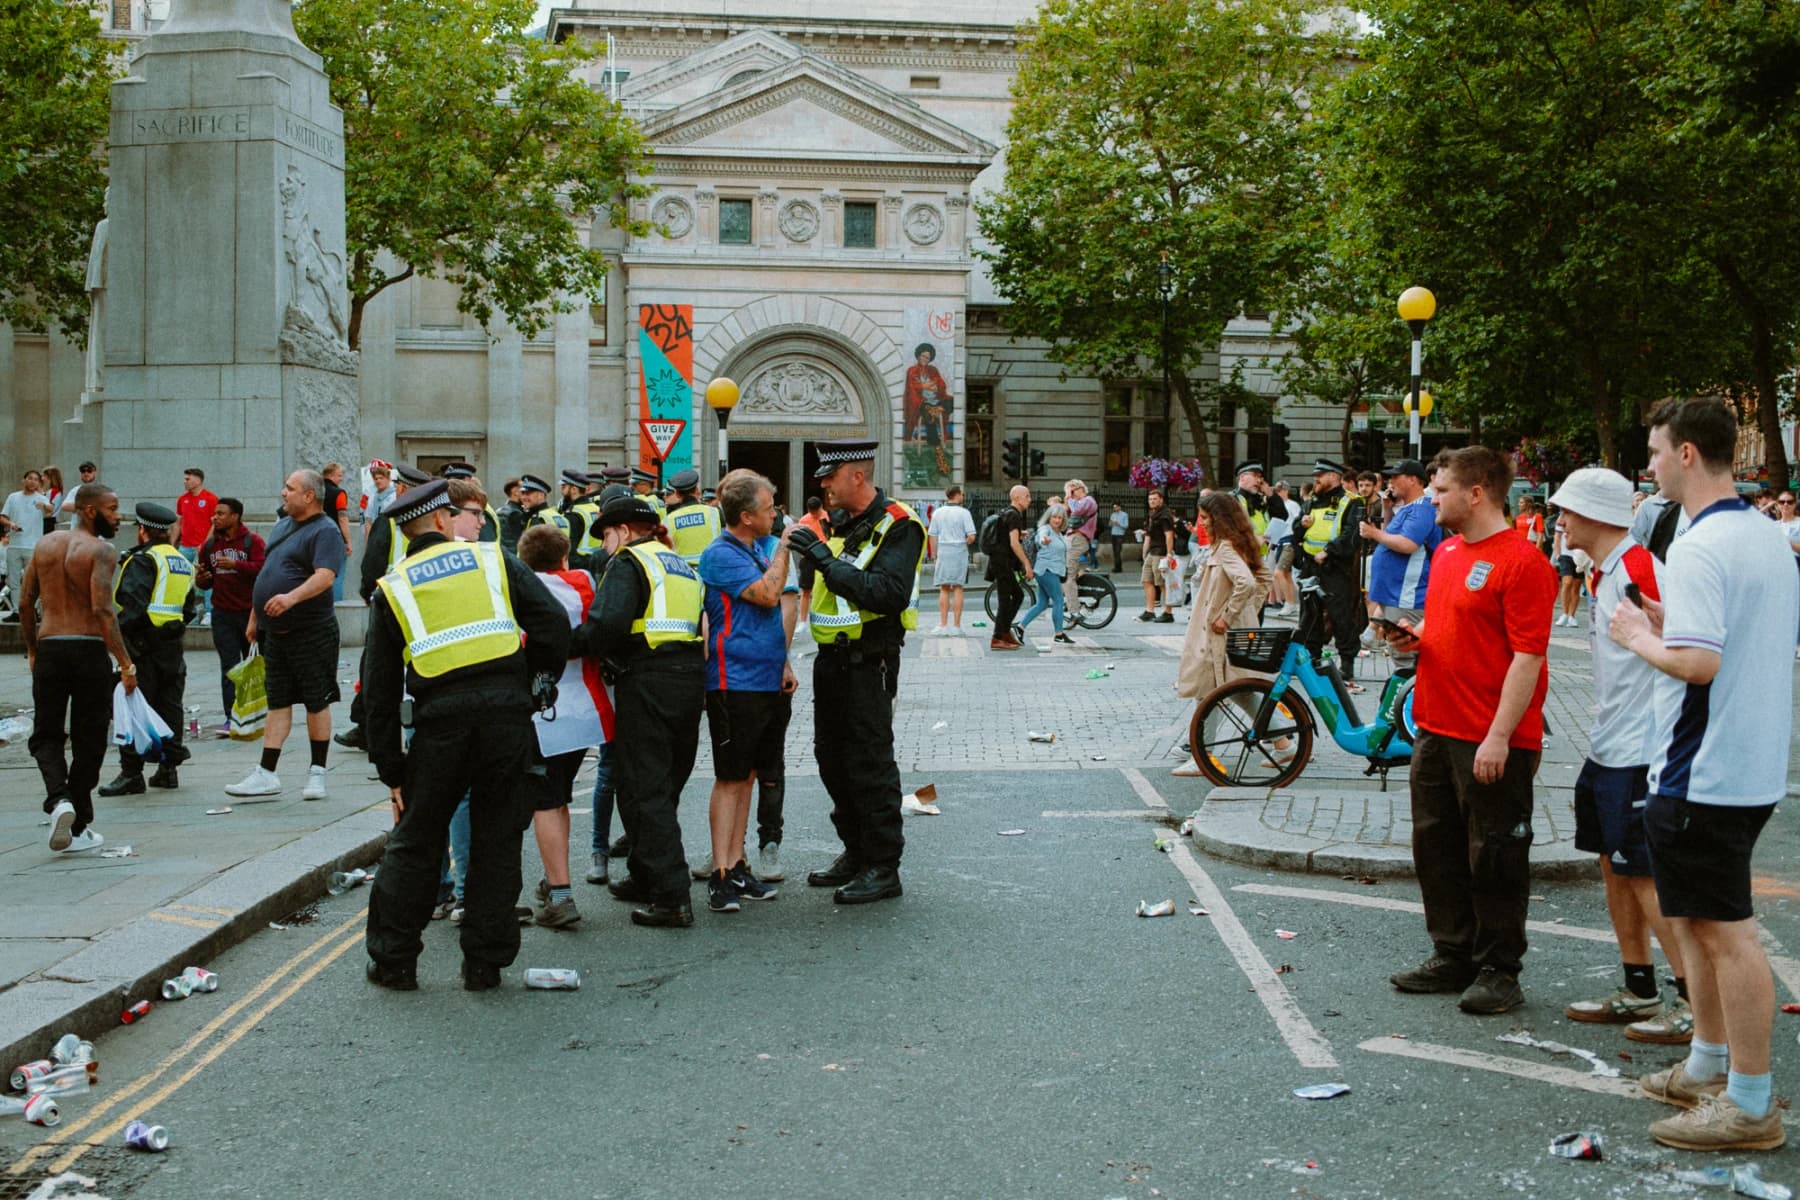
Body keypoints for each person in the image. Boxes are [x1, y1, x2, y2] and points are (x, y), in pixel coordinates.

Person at [1610, 398, 1797, 1153]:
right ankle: (1709, 1066)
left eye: (1655, 452)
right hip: (1743, 762)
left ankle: (1750, 1103)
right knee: (1694, 921)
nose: (1648, 466)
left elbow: (1700, 662)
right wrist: (1667, 620)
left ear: (1687, 454)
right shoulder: (1759, 535)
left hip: (1704, 770)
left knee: (1726, 934)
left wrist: (1634, 634)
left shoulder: (1697, 544)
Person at [361, 480, 569, 991]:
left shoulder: (394, 586)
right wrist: (535, 680)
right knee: (497, 840)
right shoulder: (492, 560)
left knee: (415, 843)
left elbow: (379, 690)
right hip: (506, 720)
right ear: (440, 521)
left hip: (439, 727)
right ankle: (484, 963)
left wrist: (391, 766)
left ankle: (395, 962)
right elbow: (554, 625)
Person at [1384, 446, 1555, 1015]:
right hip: (1435, 725)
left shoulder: (1523, 563)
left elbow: (1528, 659)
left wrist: (1501, 737)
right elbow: (1447, 626)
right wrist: (1416, 636)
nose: (1430, 499)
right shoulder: (1451, 551)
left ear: (1475, 493)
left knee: (1497, 853)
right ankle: (1452, 953)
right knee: (1437, 846)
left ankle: (1500, 969)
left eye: (1439, 490)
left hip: (1490, 736)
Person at [1543, 467, 1692, 1044]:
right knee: (1613, 866)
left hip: (1640, 749)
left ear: (1598, 516)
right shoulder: (1605, 572)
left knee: (1645, 876)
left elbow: (1680, 651)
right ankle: (1639, 987)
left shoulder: (1635, 570)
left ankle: (1689, 1001)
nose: (1560, 522)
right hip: (1609, 745)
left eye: (1568, 512)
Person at [785, 438, 925, 904]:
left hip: (871, 662)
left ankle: (884, 866)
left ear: (857, 476)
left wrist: (823, 560)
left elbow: (887, 592)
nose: (823, 484)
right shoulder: (844, 524)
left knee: (870, 763)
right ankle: (856, 850)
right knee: (832, 759)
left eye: (829, 476)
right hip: (833, 661)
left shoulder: (899, 525)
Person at [574, 493, 705, 928]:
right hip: (686, 678)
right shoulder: (676, 562)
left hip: (648, 678)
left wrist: (561, 641)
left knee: (644, 788)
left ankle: (672, 897)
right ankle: (645, 873)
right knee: (662, 784)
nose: (606, 545)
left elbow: (605, 625)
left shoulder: (629, 563)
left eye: (607, 536)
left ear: (624, 531)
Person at [694, 469, 793, 912]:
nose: (777, 514)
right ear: (747, 516)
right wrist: (788, 546)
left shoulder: (752, 548)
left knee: (749, 774)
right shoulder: (721, 554)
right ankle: (719, 873)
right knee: (731, 777)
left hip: (765, 678)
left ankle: (737, 865)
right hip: (733, 679)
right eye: (770, 508)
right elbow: (769, 596)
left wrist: (784, 662)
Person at [21, 483, 136, 854]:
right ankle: (79, 821)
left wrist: (32, 650)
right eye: (113, 508)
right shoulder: (102, 550)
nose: (119, 516)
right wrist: (125, 661)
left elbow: (25, 603)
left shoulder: (45, 545)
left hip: (51, 645)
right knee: (89, 738)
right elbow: (103, 610)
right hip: (88, 650)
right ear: (90, 511)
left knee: (46, 734)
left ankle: (60, 800)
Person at [226, 469, 346, 801]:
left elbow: (325, 576)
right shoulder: (282, 526)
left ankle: (318, 773)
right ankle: (266, 773)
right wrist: (255, 616)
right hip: (275, 632)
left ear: (309, 496)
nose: (283, 493)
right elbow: (267, 573)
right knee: (277, 700)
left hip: (312, 630)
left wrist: (291, 598)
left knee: (316, 700)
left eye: (290, 488)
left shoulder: (326, 532)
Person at [516, 522, 610, 931]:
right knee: (559, 797)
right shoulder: (582, 583)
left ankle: (560, 892)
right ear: (564, 557)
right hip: (584, 709)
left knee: (544, 801)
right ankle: (555, 882)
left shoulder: (520, 592)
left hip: (540, 711)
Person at [97, 503, 199, 795]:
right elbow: (188, 607)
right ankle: (168, 770)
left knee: (131, 707)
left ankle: (131, 773)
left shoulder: (143, 560)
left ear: (142, 530)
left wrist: (119, 640)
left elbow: (132, 605)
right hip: (172, 645)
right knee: (170, 705)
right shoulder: (180, 560)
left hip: (142, 645)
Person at [1172, 493, 1273, 776]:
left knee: (1208, 690)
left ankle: (1201, 755)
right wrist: (1247, 613)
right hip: (1226, 629)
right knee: (1237, 690)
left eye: (1204, 518)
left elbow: (1248, 582)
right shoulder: (1237, 544)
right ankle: (1282, 742)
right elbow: (1262, 579)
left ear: (1219, 519)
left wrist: (1228, 616)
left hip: (1218, 633)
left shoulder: (1226, 548)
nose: (1200, 523)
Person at [1359, 458, 1442, 674]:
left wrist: (1372, 533)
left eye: (1396, 476)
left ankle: (1408, 701)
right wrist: (1387, 511)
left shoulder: (1422, 509)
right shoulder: (1406, 508)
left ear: (1413, 480)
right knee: (1400, 654)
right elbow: (1391, 536)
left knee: (1405, 656)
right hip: (1395, 593)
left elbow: (1407, 544)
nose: (1390, 481)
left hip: (1407, 595)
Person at [196, 498, 265, 737]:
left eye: (221, 514)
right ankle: (230, 718)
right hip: (222, 613)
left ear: (235, 516)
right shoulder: (209, 545)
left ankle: (252, 715)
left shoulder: (252, 541)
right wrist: (202, 578)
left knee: (251, 666)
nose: (215, 518)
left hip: (249, 613)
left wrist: (236, 564)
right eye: (214, 514)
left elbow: (262, 570)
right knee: (229, 666)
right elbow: (205, 582)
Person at [1295, 458, 1367, 681]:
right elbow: (1296, 532)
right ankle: (1311, 659)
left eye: (1321, 474)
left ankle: (1347, 662)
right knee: (1309, 615)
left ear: (1334, 477)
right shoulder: (1310, 502)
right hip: (1310, 566)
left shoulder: (1351, 502)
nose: (1316, 478)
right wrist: (1301, 525)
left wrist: (1329, 551)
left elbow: (1352, 535)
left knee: (1341, 616)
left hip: (1335, 568)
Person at [1015, 501, 1071, 646]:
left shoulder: (1059, 533)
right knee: (1058, 600)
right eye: (1054, 517)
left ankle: (1020, 628)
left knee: (1042, 603)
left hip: (1050, 570)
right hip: (1046, 570)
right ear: (1048, 518)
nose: (1057, 520)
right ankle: (1059, 633)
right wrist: (1043, 541)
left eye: (1060, 518)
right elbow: (1041, 539)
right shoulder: (1045, 529)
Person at [926, 484, 976, 635]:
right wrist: (964, 542)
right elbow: (971, 536)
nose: (963, 496)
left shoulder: (938, 513)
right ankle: (956, 625)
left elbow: (932, 536)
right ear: (958, 495)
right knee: (958, 587)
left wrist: (935, 555)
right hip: (959, 551)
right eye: (962, 494)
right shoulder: (964, 513)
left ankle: (943, 624)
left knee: (944, 588)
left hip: (943, 550)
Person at [2, 471, 54, 614]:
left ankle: (32, 610)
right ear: (24, 480)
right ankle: (16, 611)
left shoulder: (40, 498)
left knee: (32, 580)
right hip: (14, 545)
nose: (32, 482)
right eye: (30, 479)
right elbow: (3, 517)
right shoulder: (13, 497)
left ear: (39, 483)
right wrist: (11, 524)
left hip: (32, 545)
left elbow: (51, 509)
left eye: (36, 480)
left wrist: (43, 506)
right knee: (13, 580)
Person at [987, 484, 1032, 651]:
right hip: (1002, 563)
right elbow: (1013, 543)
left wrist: (1020, 534)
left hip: (1000, 562)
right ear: (1017, 498)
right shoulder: (1014, 515)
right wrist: (1027, 564)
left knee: (1015, 596)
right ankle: (998, 636)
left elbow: (1006, 537)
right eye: (1027, 496)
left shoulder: (1007, 512)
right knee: (1007, 599)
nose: (1030, 499)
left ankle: (1004, 632)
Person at [175, 467, 219, 623]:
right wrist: (171, 543)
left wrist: (205, 543)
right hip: (185, 546)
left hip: (203, 547)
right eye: (185, 478)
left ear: (198, 480)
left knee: (206, 577)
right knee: (180, 577)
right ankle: (183, 609)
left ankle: (209, 612)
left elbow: (215, 524)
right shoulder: (182, 499)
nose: (184, 481)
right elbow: (178, 523)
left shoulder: (211, 499)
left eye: (188, 479)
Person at [664, 468, 722, 567]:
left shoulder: (668, 520)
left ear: (677, 494)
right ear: (697, 490)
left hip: (684, 575)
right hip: (713, 570)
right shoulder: (715, 512)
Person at [1138, 488, 1178, 622]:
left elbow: (1169, 535)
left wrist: (1168, 554)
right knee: (1146, 580)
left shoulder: (1165, 515)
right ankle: (1150, 611)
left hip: (1160, 553)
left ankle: (1168, 612)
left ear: (1161, 499)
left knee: (1162, 583)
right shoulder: (1152, 514)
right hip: (1152, 552)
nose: (1152, 501)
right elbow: (1148, 535)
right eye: (1150, 499)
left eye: (1154, 499)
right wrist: (1144, 553)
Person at [320, 463, 354, 602]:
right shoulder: (339, 493)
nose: (341, 478)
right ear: (331, 475)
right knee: (337, 574)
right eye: (339, 475)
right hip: (335, 539)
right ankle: (337, 607)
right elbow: (342, 518)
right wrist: (347, 541)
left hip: (316, 538)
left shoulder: (315, 492)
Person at [1062, 479, 1098, 605]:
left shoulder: (1088, 500)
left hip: (1078, 539)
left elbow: (1077, 510)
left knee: (1069, 577)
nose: (1070, 495)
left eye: (1072, 491)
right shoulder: (1077, 503)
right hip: (1072, 538)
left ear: (1080, 489)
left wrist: (1067, 496)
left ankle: (1074, 610)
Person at [1778, 490, 1800, 661]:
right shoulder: (1773, 526)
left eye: (1790, 502)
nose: (1786, 505)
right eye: (1782, 502)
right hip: (1776, 568)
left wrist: (1788, 543)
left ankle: (1798, 644)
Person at [361, 461, 395, 538]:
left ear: (388, 479)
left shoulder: (394, 497)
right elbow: (368, 522)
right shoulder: (372, 498)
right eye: (376, 479)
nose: (378, 481)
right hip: (376, 537)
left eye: (381, 478)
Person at [1108, 502, 1129, 574]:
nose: (1114, 509)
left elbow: (1126, 526)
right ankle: (1117, 567)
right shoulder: (1113, 514)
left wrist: (1118, 524)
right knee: (1114, 552)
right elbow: (1109, 525)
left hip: (1120, 534)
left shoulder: (1124, 515)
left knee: (1118, 551)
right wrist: (1111, 523)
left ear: (1119, 507)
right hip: (1113, 534)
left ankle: (1118, 568)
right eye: (1114, 507)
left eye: (1116, 507)